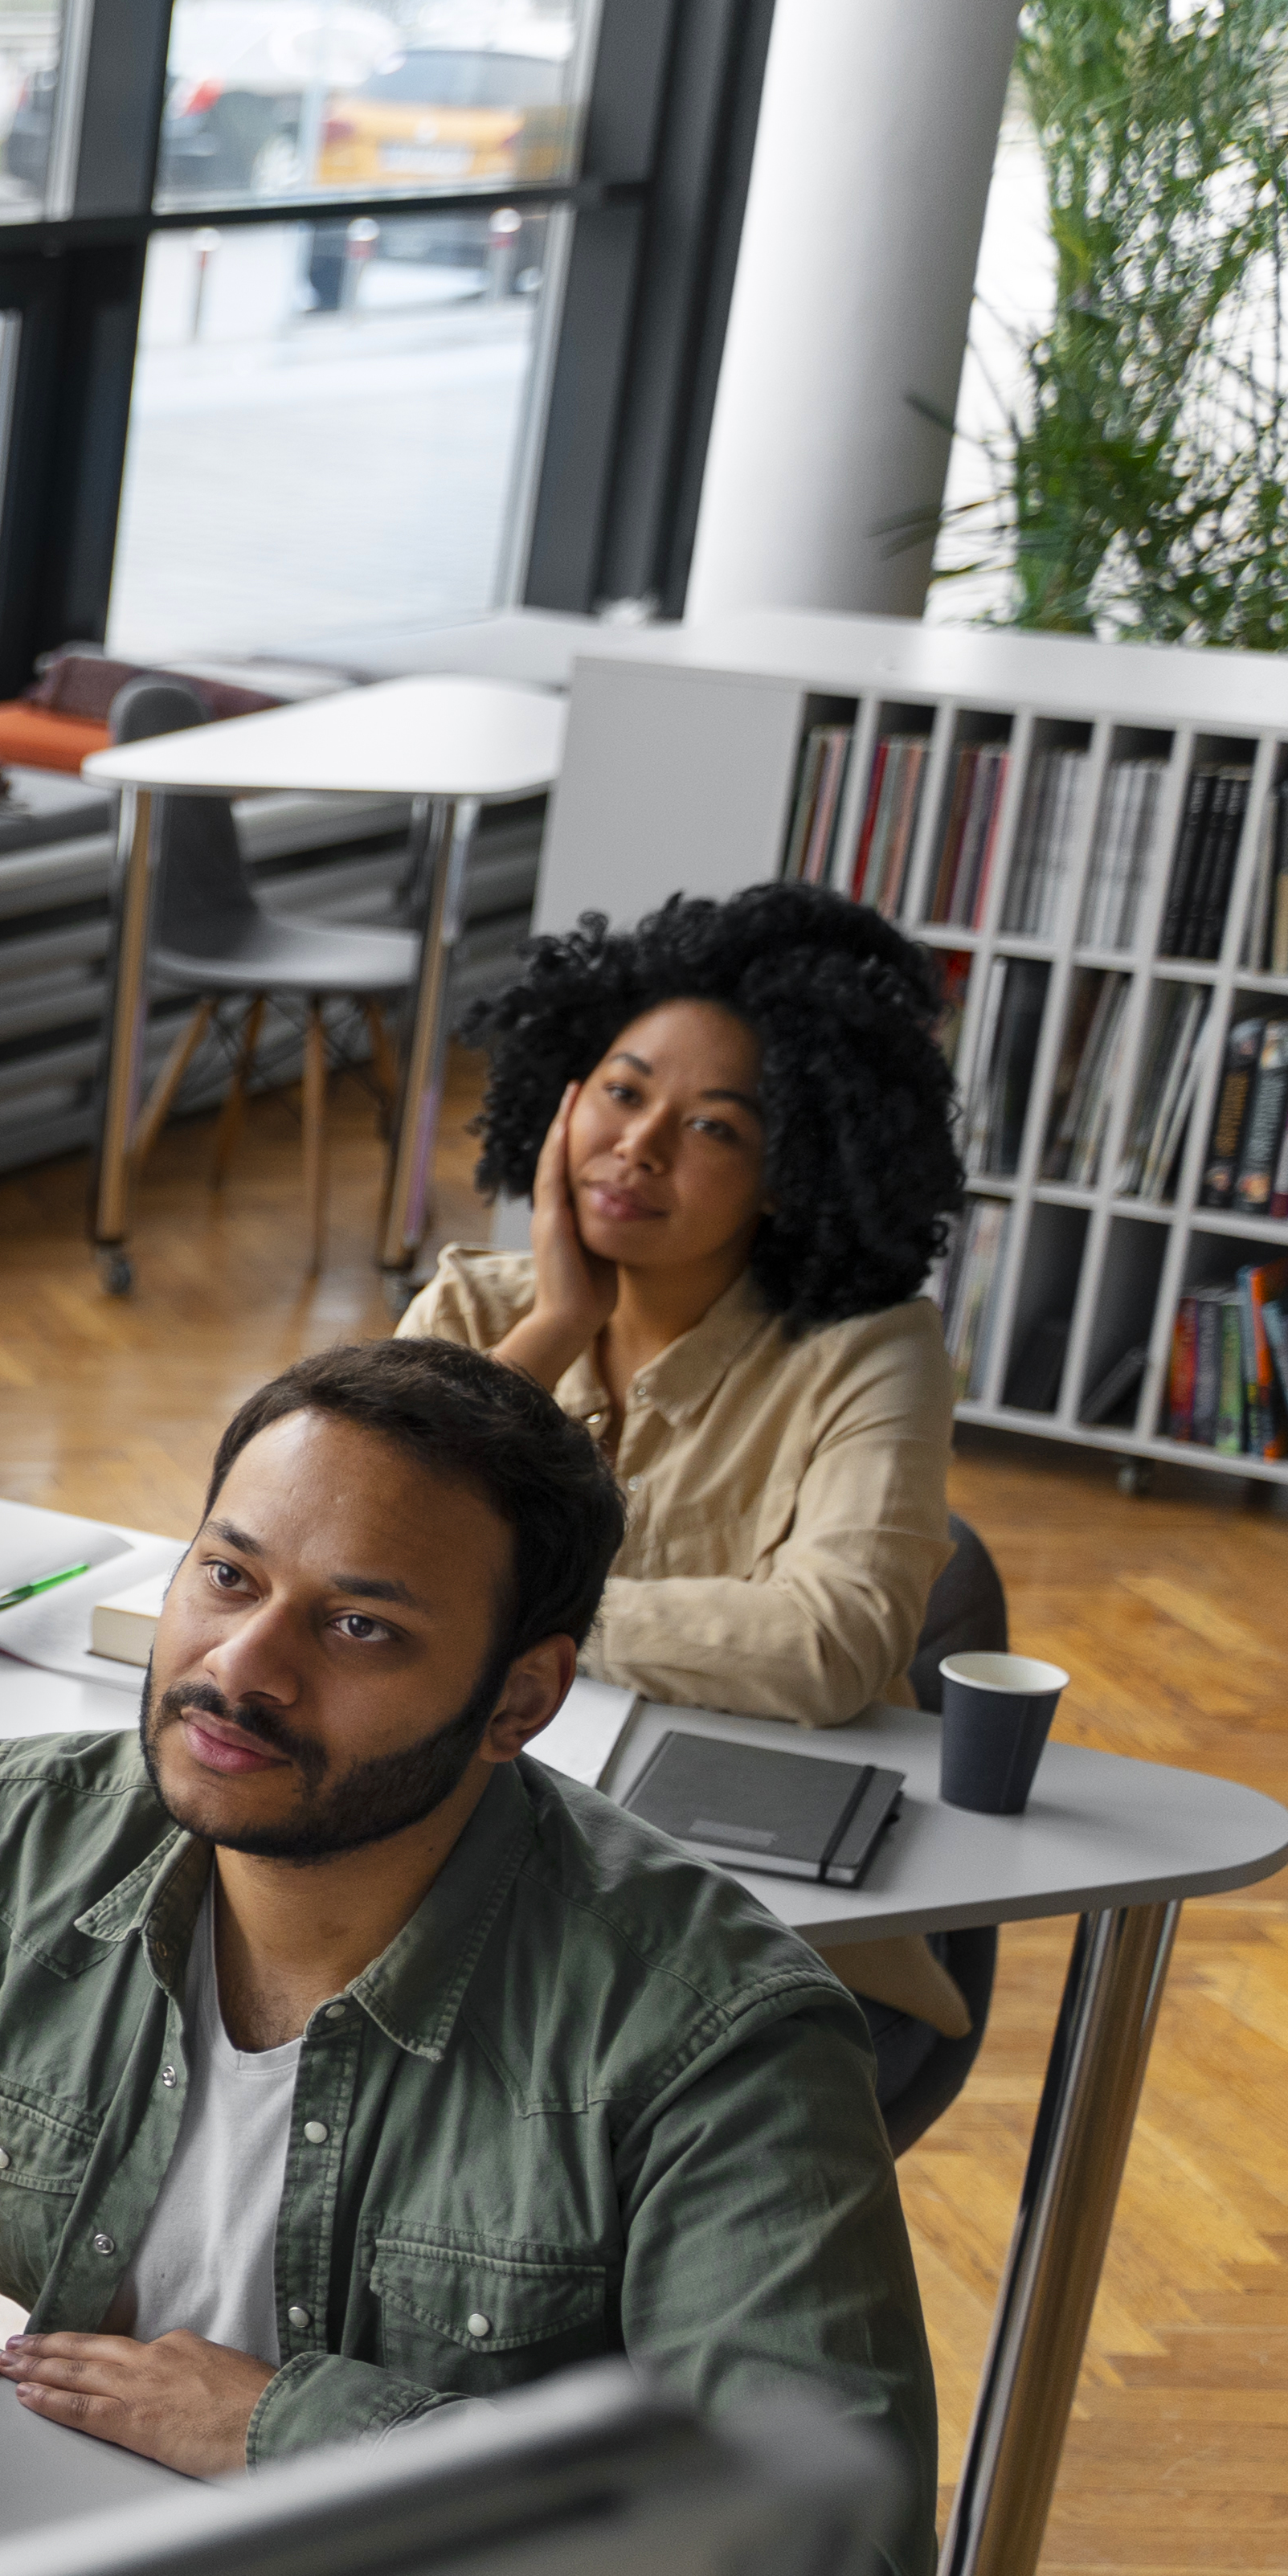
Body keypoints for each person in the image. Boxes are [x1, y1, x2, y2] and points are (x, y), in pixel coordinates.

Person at [0, 1337, 936, 2576]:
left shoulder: (715, 2034)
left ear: (520, 1698)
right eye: (227, 1576)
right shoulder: (21, 1842)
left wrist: (289, 2431)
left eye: (358, 1625)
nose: (241, 1667)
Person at [399, 879, 979, 2059]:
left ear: (793, 1169)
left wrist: (509, 1622)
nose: (639, 1146)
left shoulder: (873, 1352)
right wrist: (556, 1324)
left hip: (765, 1941)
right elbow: (351, 1551)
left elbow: (834, 1644)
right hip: (478, 1904)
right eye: (620, 1092)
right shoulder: (478, 1305)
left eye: (715, 1126)